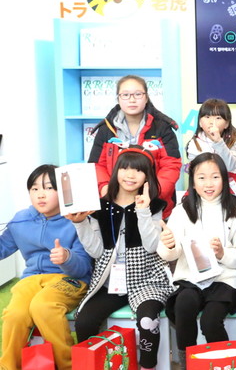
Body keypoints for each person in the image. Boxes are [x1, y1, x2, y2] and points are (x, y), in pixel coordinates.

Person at [68, 147, 173, 370]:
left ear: (147, 176)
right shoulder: (99, 207)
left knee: (147, 320)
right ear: (116, 171)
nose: (130, 174)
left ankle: (148, 367)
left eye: (138, 170)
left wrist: (143, 211)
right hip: (109, 283)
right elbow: (96, 251)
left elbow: (152, 246)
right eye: (125, 168)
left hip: (147, 280)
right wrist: (80, 223)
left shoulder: (155, 205)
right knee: (84, 321)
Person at [157, 153, 236, 368]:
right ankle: (187, 363)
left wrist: (222, 254)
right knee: (183, 305)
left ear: (224, 179)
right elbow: (170, 253)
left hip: (224, 281)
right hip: (191, 279)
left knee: (211, 321)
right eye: (201, 178)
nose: (208, 184)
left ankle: (223, 364)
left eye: (215, 177)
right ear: (192, 182)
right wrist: (169, 245)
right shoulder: (182, 211)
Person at [0, 165, 92, 370]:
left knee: (43, 306)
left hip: (69, 279)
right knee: (15, 314)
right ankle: (8, 367)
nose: (40, 194)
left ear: (64, 192)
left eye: (49, 188)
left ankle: (68, 366)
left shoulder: (77, 219)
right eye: (34, 189)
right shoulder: (20, 220)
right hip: (31, 280)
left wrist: (66, 258)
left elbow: (84, 267)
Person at [89, 74, 181, 217]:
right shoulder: (106, 129)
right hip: (115, 205)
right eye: (125, 95)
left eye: (138, 94)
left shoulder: (162, 128)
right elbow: (97, 165)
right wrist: (105, 188)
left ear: (146, 97)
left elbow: (171, 165)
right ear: (118, 98)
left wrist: (152, 194)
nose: (132, 100)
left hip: (154, 205)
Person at [186, 98, 236, 191]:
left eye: (218, 118)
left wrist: (218, 141)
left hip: (229, 187)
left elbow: (230, 166)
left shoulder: (234, 139)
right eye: (207, 117)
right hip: (204, 188)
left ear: (226, 124)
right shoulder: (194, 143)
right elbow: (197, 172)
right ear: (200, 122)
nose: (211, 122)